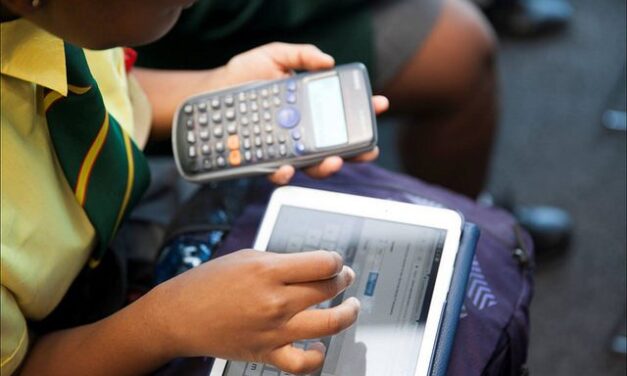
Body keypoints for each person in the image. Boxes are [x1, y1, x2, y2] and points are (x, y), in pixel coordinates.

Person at [0, 0, 390, 374]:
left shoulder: (68, 18)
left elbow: (95, 92)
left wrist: (215, 85)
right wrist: (170, 321)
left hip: (131, 210)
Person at [135, 0, 499, 199]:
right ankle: (476, 232)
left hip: (143, 72)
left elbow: (108, 77)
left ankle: (472, 230)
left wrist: (216, 83)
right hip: (195, 38)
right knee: (458, 47)